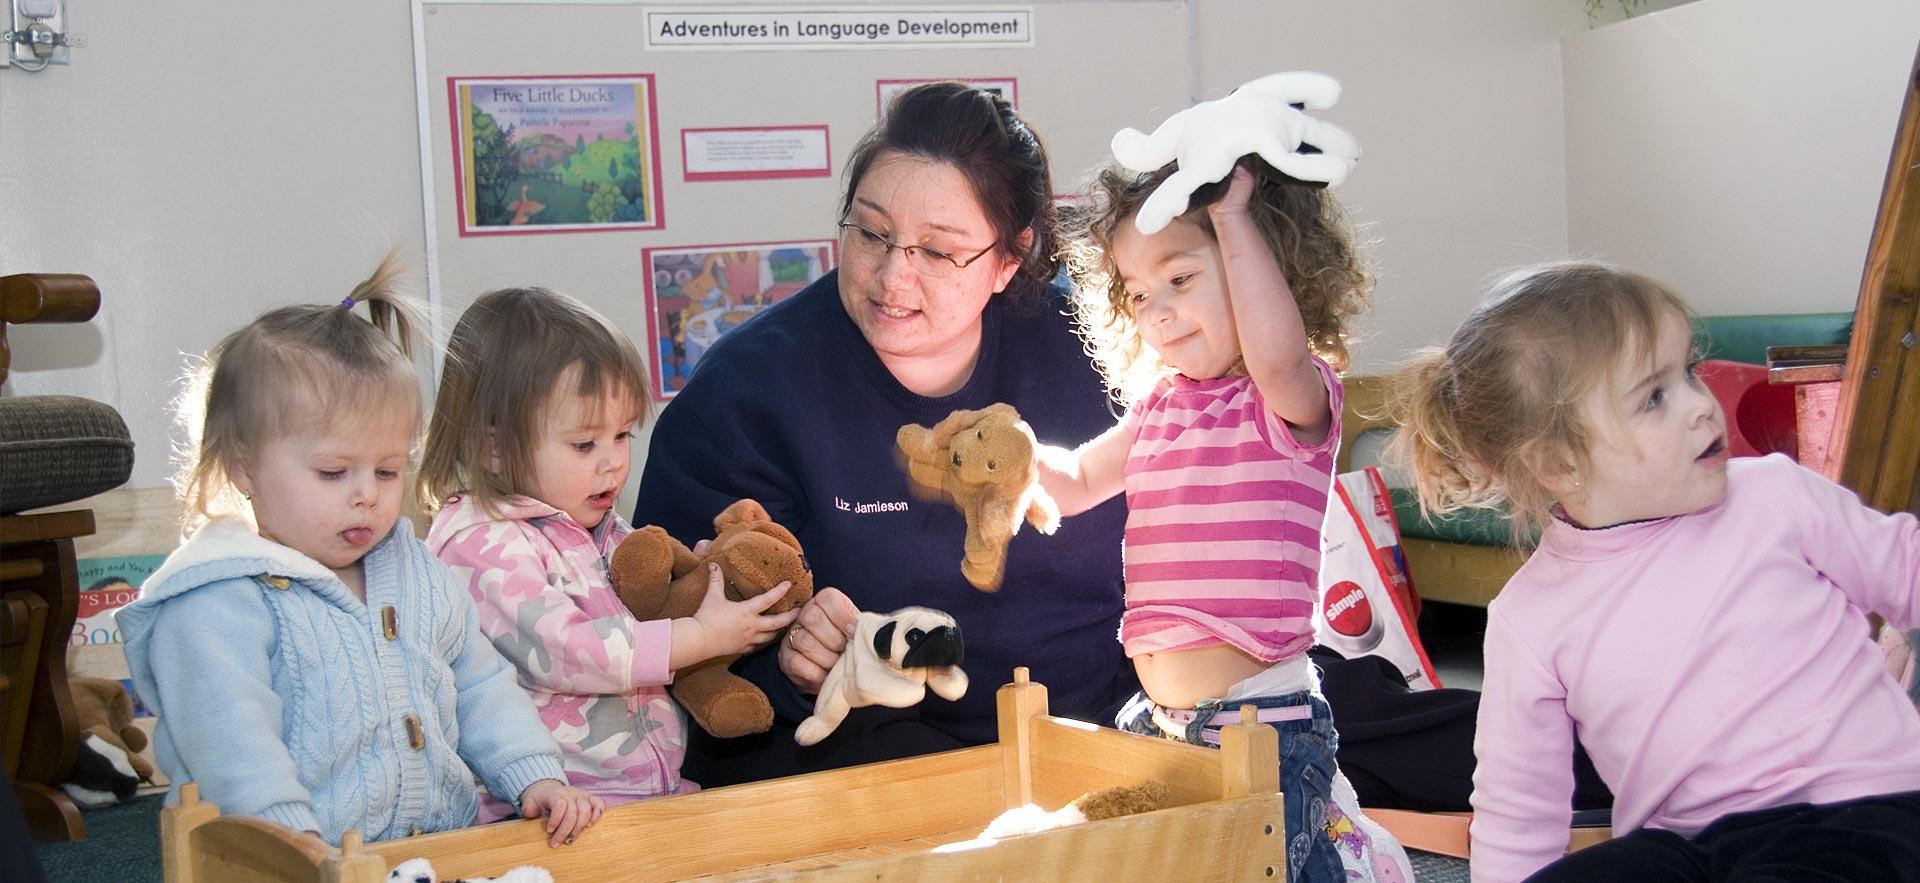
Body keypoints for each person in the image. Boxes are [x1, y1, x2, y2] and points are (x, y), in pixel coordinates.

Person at [632, 82, 1138, 784]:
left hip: (1102, 739)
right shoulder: (747, 392)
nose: (891, 275)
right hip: (866, 768)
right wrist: (787, 666)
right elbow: (667, 620)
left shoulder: (1099, 357)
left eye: (938, 251)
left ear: (1011, 258)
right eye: (871, 232)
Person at [1392, 261, 1920, 882]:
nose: (1701, 406)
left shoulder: (1778, 496)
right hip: (1685, 846)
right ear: (1560, 463)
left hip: (1860, 810)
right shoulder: (1530, 617)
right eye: (1654, 397)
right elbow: (1518, 806)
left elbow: (1907, 570)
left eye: (1690, 372)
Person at [118, 255, 601, 849]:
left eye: (388, 469)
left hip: (431, 847)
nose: (367, 496)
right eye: (333, 472)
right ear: (244, 467)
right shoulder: (216, 599)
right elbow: (230, 744)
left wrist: (535, 774)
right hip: (282, 861)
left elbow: (479, 686)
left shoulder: (416, 570)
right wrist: (293, 845)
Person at [1037, 156, 1409, 882]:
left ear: (1262, 266)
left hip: (1262, 726)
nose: (1158, 311)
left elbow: (1275, 353)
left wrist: (1234, 218)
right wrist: (1008, 456)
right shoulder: (1158, 411)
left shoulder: (1285, 398)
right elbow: (1076, 481)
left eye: (1180, 279)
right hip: (1163, 723)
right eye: (1139, 293)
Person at [420, 287, 798, 805]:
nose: (613, 462)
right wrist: (700, 636)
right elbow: (571, 650)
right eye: (584, 444)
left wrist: (701, 580)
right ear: (495, 447)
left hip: (643, 794)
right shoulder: (479, 546)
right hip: (547, 811)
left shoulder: (591, 521)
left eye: (622, 436)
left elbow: (648, 604)